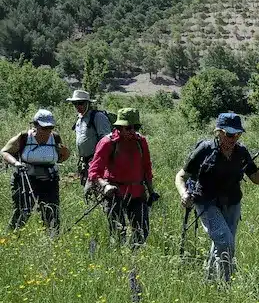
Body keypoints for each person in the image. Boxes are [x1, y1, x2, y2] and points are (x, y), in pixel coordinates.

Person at [174, 113, 259, 283]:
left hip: (232, 203)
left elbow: (258, 179)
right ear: (218, 132)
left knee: (221, 244)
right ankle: (226, 284)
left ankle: (210, 281)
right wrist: (184, 194)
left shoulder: (241, 152)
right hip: (206, 203)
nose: (233, 138)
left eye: (237, 134)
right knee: (226, 242)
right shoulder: (205, 149)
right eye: (229, 134)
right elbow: (181, 176)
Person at [87, 108, 155, 247]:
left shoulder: (141, 142)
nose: (132, 131)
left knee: (142, 232)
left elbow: (147, 168)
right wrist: (105, 185)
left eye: (135, 127)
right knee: (118, 233)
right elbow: (94, 171)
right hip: (114, 193)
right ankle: (119, 260)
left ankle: (134, 261)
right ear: (119, 127)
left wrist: (151, 191)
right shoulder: (108, 143)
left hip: (137, 193)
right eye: (129, 128)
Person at [2, 109, 71, 232]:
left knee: (51, 211)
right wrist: (16, 163)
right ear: (35, 125)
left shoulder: (55, 138)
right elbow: (5, 152)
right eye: (44, 128)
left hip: (49, 181)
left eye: (50, 127)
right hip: (25, 179)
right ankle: (11, 237)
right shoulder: (24, 137)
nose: (47, 131)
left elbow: (62, 158)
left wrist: (64, 152)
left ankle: (53, 239)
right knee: (22, 210)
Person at [68, 90, 112, 187]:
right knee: (88, 190)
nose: (77, 106)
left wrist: (99, 160)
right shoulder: (79, 119)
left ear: (88, 103)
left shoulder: (98, 117)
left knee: (96, 189)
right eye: (75, 103)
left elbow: (107, 141)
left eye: (80, 103)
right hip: (84, 162)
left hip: (96, 161)